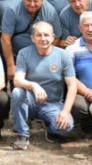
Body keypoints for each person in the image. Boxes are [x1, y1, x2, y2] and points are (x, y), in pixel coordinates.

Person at [10, 21, 77, 149]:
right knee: (17, 92)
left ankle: (50, 128)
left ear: (53, 37)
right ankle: (22, 133)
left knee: (65, 128)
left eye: (46, 35)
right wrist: (34, 86)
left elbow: (72, 85)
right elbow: (17, 80)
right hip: (30, 101)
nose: (43, 39)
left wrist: (65, 111)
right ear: (32, 38)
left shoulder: (63, 55)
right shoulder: (24, 53)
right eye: (39, 35)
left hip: (53, 103)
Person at [0, 0, 60, 81]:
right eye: (28, 0)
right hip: (17, 56)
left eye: (36, 1)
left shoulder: (50, 11)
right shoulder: (12, 9)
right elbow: (5, 39)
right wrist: (10, 66)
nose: (32, 4)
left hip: (41, 56)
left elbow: (56, 37)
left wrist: (46, 58)